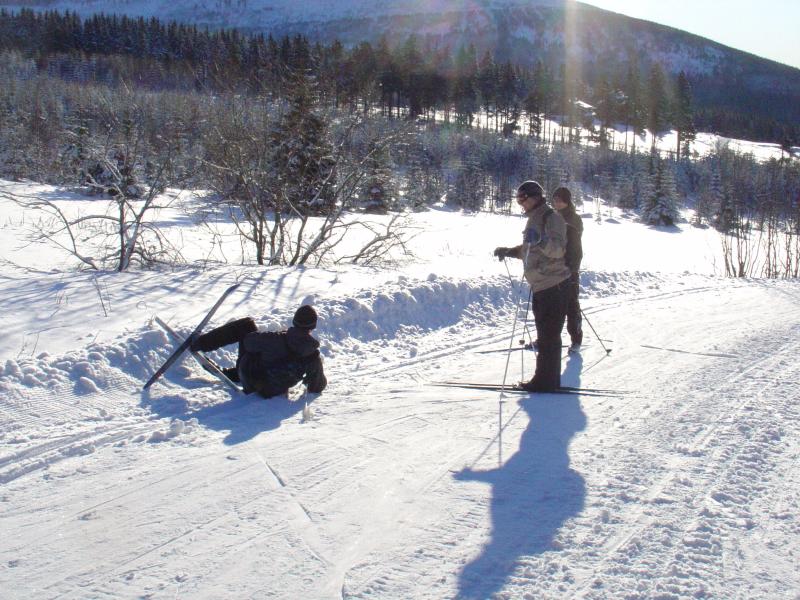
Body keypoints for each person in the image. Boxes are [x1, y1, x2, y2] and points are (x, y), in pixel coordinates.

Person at [494, 180, 571, 392]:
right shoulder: (535, 219)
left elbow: (557, 250)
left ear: (535, 196)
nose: (520, 203)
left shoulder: (551, 218)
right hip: (541, 285)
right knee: (545, 334)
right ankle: (547, 379)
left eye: (522, 198)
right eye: (517, 199)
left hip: (554, 284)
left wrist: (540, 241)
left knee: (549, 336)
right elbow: (530, 249)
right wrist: (509, 251)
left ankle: (545, 381)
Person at [191, 305, 327, 398]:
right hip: (274, 390)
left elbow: (248, 343)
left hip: (253, 382)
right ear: (313, 326)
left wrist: (264, 339)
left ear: (294, 321)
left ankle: (199, 344)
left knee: (246, 325)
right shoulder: (312, 354)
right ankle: (235, 374)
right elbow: (318, 386)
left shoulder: (276, 338)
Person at [552, 186, 583, 352]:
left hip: (570, 268)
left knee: (571, 305)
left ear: (566, 200)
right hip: (552, 269)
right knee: (551, 306)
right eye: (554, 199)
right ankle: (547, 338)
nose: (556, 202)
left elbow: (575, 246)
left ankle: (576, 340)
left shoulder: (574, 218)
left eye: (559, 199)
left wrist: (572, 268)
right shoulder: (552, 217)